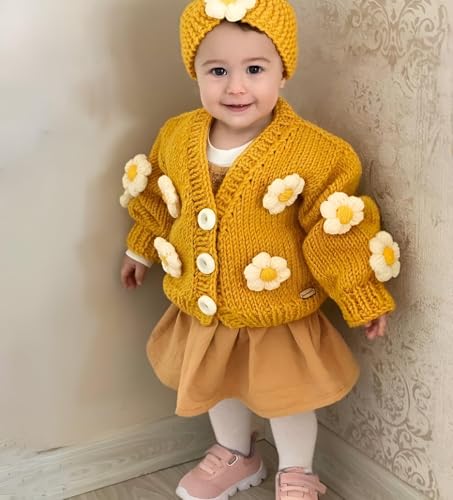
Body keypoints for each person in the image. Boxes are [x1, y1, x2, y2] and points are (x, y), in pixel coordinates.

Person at [119, 0, 401, 498]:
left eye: (254, 69)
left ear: (283, 72)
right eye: (218, 71)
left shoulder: (315, 152)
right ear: (195, 72)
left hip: (277, 312)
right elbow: (159, 200)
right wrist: (141, 249)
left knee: (288, 398)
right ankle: (235, 454)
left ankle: (297, 470)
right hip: (206, 308)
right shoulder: (177, 136)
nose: (236, 87)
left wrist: (360, 294)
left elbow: (334, 229)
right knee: (216, 384)